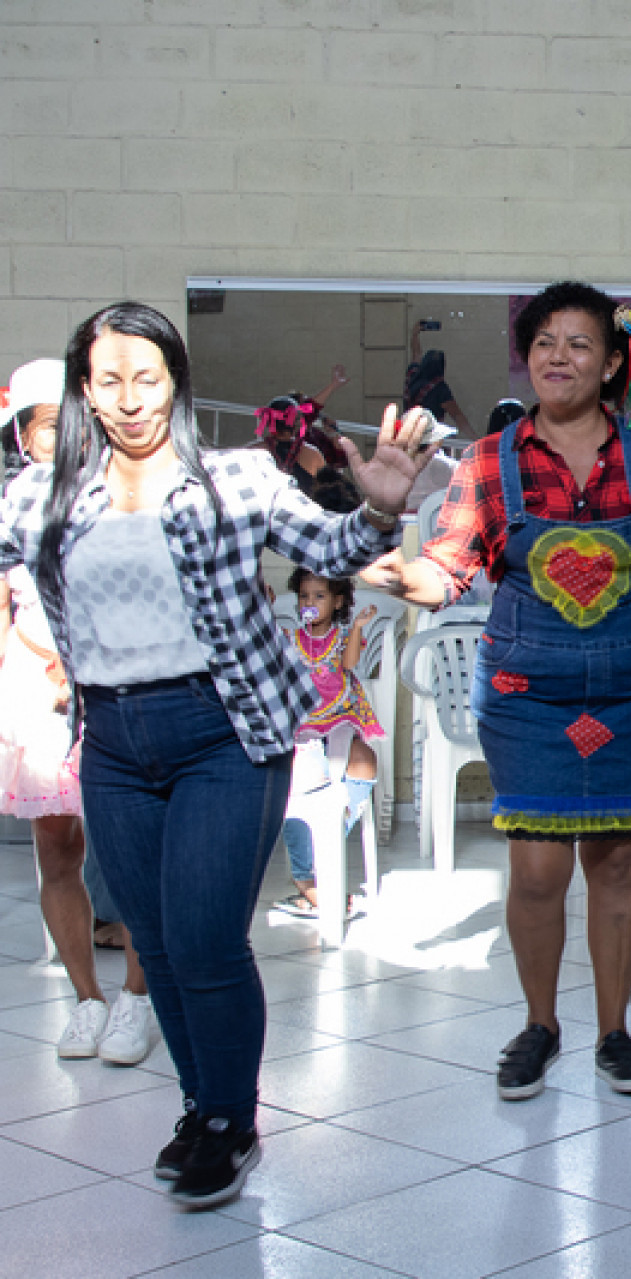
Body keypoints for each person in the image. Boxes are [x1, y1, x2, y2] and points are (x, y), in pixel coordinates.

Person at [0, 303, 433, 1211]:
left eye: (146, 378)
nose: (128, 399)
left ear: (176, 383)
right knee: (155, 940)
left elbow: (333, 547)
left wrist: (379, 509)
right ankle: (203, 1106)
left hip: (225, 732)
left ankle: (233, 1120)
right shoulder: (41, 495)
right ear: (86, 387)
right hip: (112, 741)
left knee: (203, 937)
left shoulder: (234, 480)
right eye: (108, 380)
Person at [363, 281, 631, 1104]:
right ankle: (540, 1023)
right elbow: (446, 570)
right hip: (526, 693)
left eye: (580, 343)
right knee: (534, 872)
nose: (560, 356)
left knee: (620, 858)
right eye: (546, 342)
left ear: (610, 361)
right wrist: (386, 552)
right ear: (528, 357)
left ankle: (616, 1031)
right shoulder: (492, 461)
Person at [0, 357, 157, 1067]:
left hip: (111, 689)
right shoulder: (14, 507)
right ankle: (87, 1000)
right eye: (42, 428)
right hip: (37, 692)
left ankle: (137, 1000)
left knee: (133, 857)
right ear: (22, 437)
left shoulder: (119, 493)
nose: (57, 438)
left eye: (68, 423)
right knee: (57, 854)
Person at [271, 569, 383, 920]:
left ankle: (331, 834)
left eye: (320, 596)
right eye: (305, 596)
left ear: (337, 602)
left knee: (365, 762)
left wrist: (360, 628)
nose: (310, 603)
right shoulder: (291, 637)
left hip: (341, 716)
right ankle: (308, 881)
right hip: (303, 724)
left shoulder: (342, 637)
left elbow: (349, 665)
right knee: (301, 788)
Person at [404, 324, 472, 434]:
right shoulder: (440, 389)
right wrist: (476, 440)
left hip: (408, 433)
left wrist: (415, 334)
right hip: (429, 437)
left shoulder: (412, 375)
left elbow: (416, 354)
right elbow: (457, 416)